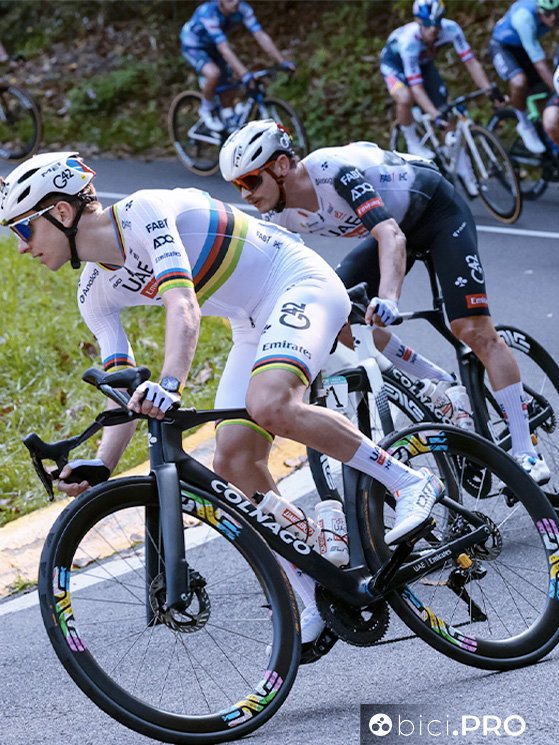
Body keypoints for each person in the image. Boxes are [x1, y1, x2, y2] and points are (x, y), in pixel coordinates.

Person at [1, 151, 445, 650]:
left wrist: (171, 384)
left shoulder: (143, 212)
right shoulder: (93, 292)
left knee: (270, 403)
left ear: (62, 213)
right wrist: (103, 464)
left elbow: (183, 303)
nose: (21, 247)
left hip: (296, 281)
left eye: (23, 229)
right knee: (232, 460)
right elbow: (121, 384)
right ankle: (312, 587)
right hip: (249, 322)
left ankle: (409, 480)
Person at [219, 120, 551, 485]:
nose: (245, 194)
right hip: (395, 227)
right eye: (237, 185)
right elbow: (286, 273)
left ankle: (526, 451)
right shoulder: (276, 214)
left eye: (250, 181)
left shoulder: (332, 171)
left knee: (472, 329)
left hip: (437, 213)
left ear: (281, 166)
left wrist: (389, 298)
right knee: (338, 314)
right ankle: (438, 384)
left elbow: (390, 233)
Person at [380, 0, 503, 193]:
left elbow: (471, 63)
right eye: (428, 24)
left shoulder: (451, 29)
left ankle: (464, 172)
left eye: (437, 23)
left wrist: (489, 90)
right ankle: (412, 142)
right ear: (418, 22)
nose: (434, 29)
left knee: (447, 114)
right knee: (405, 98)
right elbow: (416, 88)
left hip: (424, 64)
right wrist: (434, 114)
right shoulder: (409, 41)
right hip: (395, 64)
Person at [180, 0, 295, 132]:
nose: (235, 2)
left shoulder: (243, 9)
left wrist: (282, 62)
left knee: (230, 85)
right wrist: (244, 74)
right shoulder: (209, 13)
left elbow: (260, 35)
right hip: (193, 45)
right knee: (213, 73)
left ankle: (227, 116)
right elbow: (224, 48)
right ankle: (205, 110)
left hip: (213, 46)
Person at [490, 0, 559, 153]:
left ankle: (552, 149)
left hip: (524, 47)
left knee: (543, 95)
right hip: (503, 47)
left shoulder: (551, 14)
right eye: (548, 13)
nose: (554, 17)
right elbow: (539, 64)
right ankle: (524, 125)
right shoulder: (524, 18)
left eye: (557, 12)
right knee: (519, 81)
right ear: (539, 10)